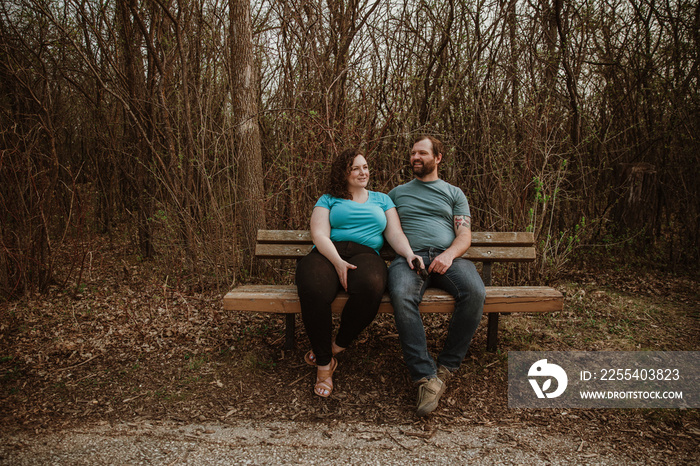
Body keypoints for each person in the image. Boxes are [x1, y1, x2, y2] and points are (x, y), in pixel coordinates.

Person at [295, 148, 423, 398]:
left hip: (366, 255)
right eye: (355, 168)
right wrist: (337, 262)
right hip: (327, 253)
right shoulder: (328, 199)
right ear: (343, 172)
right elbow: (319, 234)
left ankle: (336, 346)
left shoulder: (382, 199)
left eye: (365, 167)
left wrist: (409, 254)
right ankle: (324, 364)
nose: (362, 172)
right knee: (312, 286)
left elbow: (395, 234)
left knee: (372, 285)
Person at [387, 135, 485, 417]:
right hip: (410, 257)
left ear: (438, 158)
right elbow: (388, 229)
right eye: (412, 153)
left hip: (449, 257)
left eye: (422, 153)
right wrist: (408, 255)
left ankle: (446, 368)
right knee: (402, 294)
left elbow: (464, 234)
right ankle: (425, 377)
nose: (415, 158)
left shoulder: (454, 194)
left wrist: (449, 255)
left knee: (475, 293)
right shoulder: (397, 194)